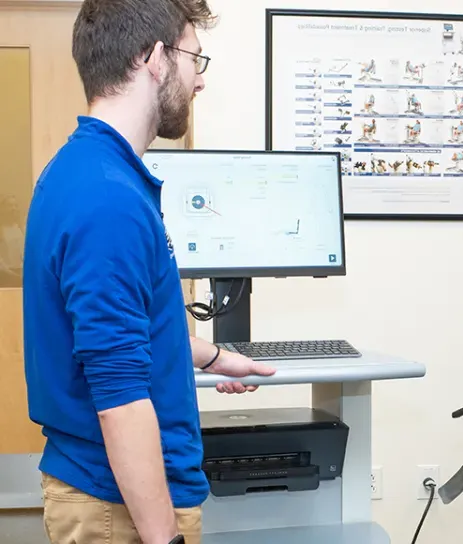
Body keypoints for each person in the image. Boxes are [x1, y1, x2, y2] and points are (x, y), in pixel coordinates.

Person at [21, 1, 274, 543]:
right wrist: (167, 539)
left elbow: (122, 328)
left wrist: (209, 355)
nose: (199, 82)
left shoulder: (89, 171)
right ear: (153, 57)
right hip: (118, 506)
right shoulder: (108, 199)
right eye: (193, 60)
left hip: (111, 496)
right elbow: (119, 398)